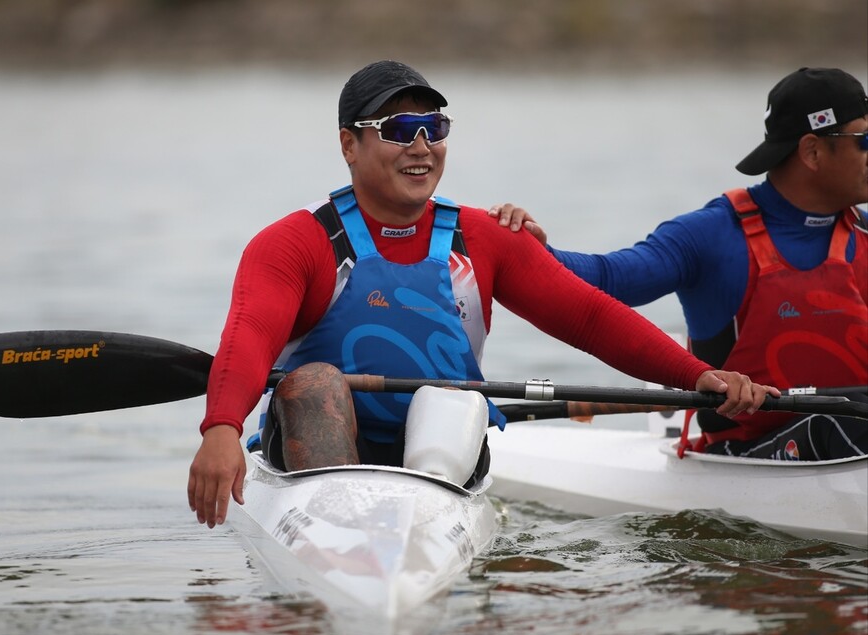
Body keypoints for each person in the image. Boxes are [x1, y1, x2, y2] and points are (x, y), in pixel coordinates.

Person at [187, 60, 777, 528]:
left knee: (453, 402)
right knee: (314, 382)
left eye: (434, 128)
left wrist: (699, 376)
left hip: (441, 460)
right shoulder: (296, 243)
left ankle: (417, 525)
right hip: (315, 458)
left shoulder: (485, 238)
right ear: (349, 145)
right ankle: (340, 530)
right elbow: (250, 335)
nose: (421, 147)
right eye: (398, 130)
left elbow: (592, 319)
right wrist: (222, 429)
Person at [490, 67, 868, 461]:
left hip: (852, 438)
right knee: (846, 423)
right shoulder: (712, 236)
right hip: (744, 449)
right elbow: (608, 278)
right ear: (812, 151)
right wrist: (531, 251)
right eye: (865, 140)